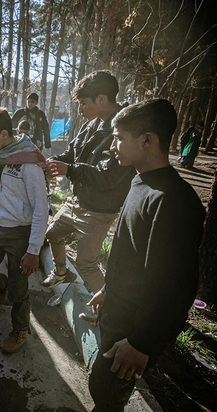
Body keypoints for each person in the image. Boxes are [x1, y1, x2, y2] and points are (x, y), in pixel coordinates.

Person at [86, 98, 206, 411]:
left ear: (147, 140)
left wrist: (142, 343)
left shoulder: (174, 201)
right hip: (118, 316)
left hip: (133, 332)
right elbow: (133, 253)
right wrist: (109, 289)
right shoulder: (141, 181)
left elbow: (175, 287)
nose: (113, 145)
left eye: (119, 137)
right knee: (101, 388)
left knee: (107, 395)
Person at [43, 71, 136, 296]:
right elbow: (72, 153)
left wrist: (70, 170)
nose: (80, 109)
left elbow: (107, 177)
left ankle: (107, 311)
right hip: (77, 201)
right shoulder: (91, 124)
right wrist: (53, 162)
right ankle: (62, 271)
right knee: (52, 234)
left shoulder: (123, 130)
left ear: (101, 99)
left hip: (98, 210)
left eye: (83, 103)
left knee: (87, 264)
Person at [0, 108, 49, 354]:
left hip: (19, 235)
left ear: (4, 134)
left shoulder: (28, 163)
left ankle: (19, 331)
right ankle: (0, 285)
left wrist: (33, 250)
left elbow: (40, 208)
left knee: (19, 290)